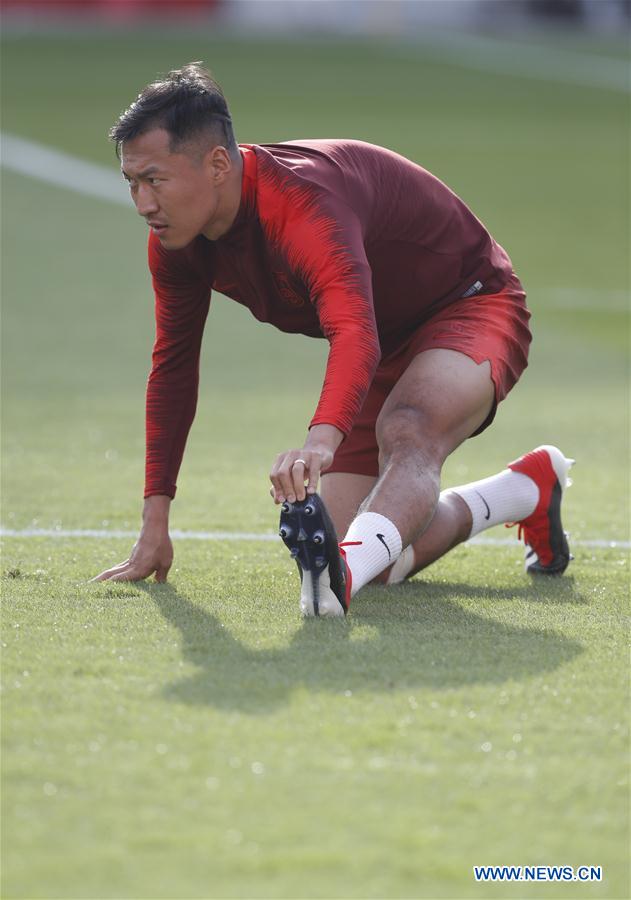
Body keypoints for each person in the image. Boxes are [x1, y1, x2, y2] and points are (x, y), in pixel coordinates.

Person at [92, 63, 574, 615]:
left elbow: (352, 328)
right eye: (131, 183)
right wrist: (155, 524)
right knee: (370, 550)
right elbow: (173, 369)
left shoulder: (301, 202)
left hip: (470, 301)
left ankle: (336, 586)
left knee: (408, 431)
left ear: (218, 164)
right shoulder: (177, 246)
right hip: (384, 336)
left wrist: (320, 442)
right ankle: (522, 491)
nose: (142, 205)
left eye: (154, 180)